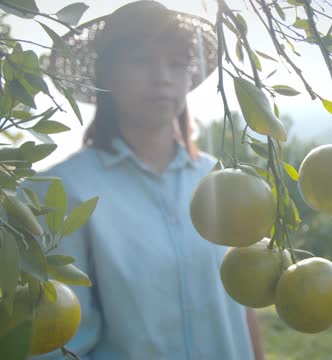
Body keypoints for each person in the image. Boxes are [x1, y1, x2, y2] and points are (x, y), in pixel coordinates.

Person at [30, 1, 265, 359]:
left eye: (176, 63)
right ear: (106, 74)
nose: (162, 77)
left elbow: (244, 304)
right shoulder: (61, 192)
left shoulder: (223, 183)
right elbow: (57, 341)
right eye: (141, 59)